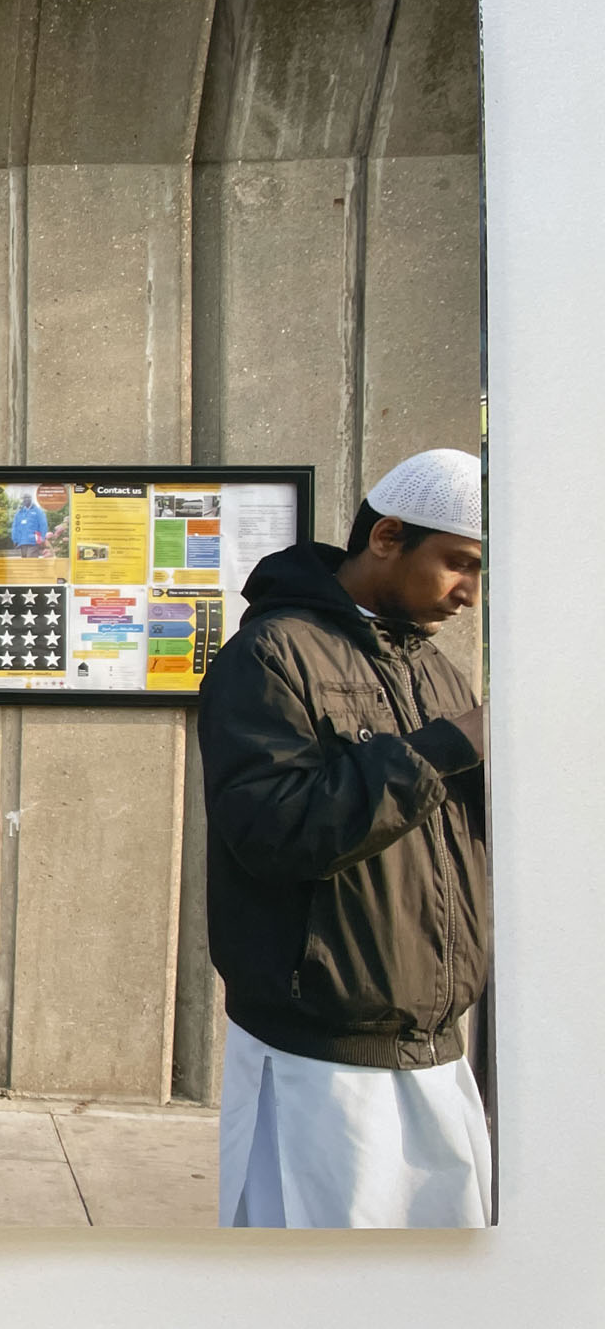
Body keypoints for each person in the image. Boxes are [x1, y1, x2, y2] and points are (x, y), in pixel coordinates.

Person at [197, 447, 489, 1228]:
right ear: (388, 536)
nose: (468, 594)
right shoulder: (268, 656)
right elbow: (273, 830)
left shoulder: (438, 672)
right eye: (458, 564)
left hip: (435, 1045)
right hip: (318, 1063)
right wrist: (447, 748)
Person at [10, 490, 47, 556]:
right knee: (25, 564)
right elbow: (15, 527)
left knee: (31, 562)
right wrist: (15, 540)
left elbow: (43, 525)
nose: (25, 499)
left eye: (27, 498)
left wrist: (41, 538)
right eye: (24, 498)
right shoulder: (19, 513)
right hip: (22, 542)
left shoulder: (38, 511)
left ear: (31, 499)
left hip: (33, 542)